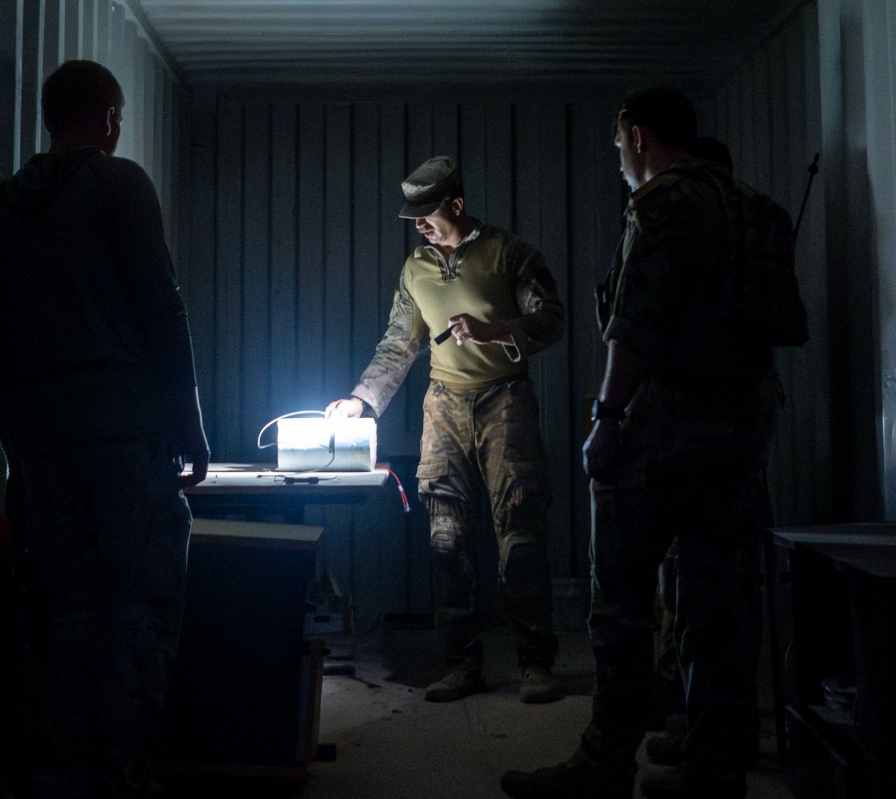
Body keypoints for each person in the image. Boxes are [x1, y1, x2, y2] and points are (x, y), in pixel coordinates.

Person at [502, 85, 787, 799]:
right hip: (738, 437)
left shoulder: (661, 204)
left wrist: (606, 415)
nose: (620, 160)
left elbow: (633, 325)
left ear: (635, 133)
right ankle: (716, 767)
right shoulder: (755, 207)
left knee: (623, 604)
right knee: (716, 602)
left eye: (618, 144)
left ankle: (604, 763)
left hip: (662, 436)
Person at [0, 59, 210, 798]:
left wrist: (22, 448)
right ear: (108, 116)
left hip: (46, 445)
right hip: (125, 438)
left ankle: (64, 775)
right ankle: (125, 773)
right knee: (140, 607)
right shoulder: (117, 184)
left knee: (71, 613)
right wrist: (190, 425)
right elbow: (161, 311)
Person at [327, 155, 566, 705]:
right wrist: (363, 400)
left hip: (506, 401)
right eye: (413, 218)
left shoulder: (512, 254)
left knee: (521, 532)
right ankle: (460, 663)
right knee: (446, 536)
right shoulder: (415, 269)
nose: (419, 225)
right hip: (444, 407)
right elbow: (398, 342)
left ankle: (535, 663)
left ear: (455, 205)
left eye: (427, 214)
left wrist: (496, 329)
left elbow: (550, 318)